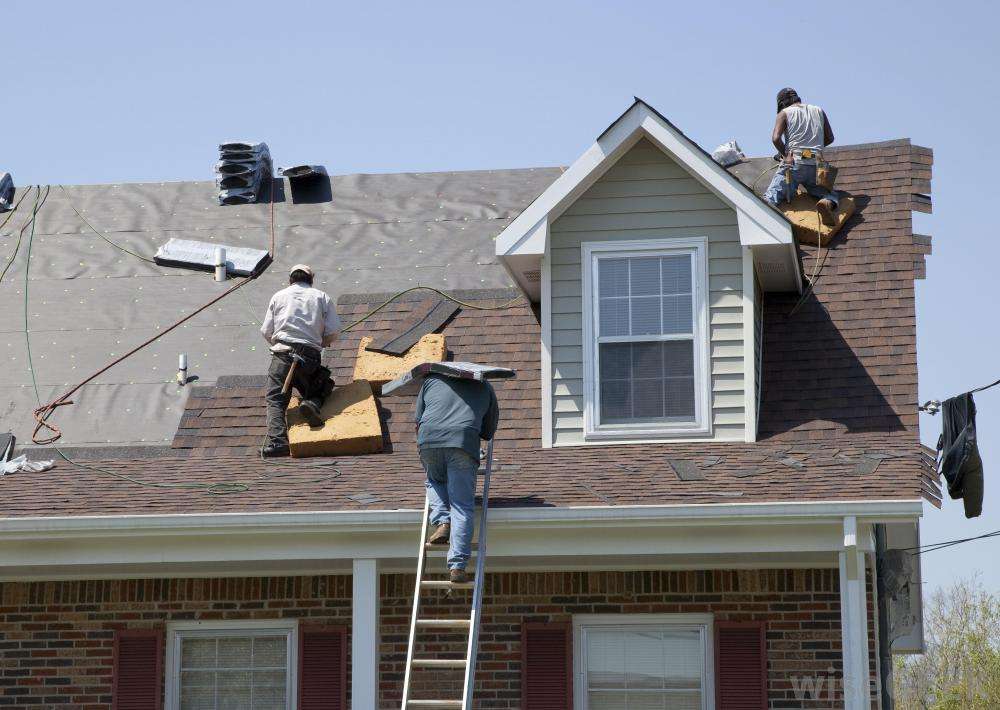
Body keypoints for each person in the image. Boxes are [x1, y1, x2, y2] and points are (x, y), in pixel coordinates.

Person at [415, 373, 499, 583]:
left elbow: (418, 420)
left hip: (429, 439)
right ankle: (457, 566)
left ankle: (442, 522)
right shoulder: (484, 385)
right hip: (462, 441)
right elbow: (488, 432)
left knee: (434, 481)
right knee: (461, 505)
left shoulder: (432, 380)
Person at [259, 264, 340, 457]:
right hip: (309, 356)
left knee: (276, 399)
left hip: (282, 354)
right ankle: (311, 403)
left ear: (291, 280)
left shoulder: (279, 296)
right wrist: (321, 342)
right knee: (321, 388)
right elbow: (334, 330)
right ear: (310, 279)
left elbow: (266, 331)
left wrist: (279, 343)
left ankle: (278, 442)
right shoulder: (321, 297)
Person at [763, 88, 839, 225]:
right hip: (817, 163)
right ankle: (827, 202)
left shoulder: (784, 113)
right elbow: (830, 138)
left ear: (781, 103)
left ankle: (767, 225)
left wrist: (786, 155)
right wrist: (812, 151)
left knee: (771, 198)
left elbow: (775, 138)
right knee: (829, 194)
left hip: (795, 162)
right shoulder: (819, 110)